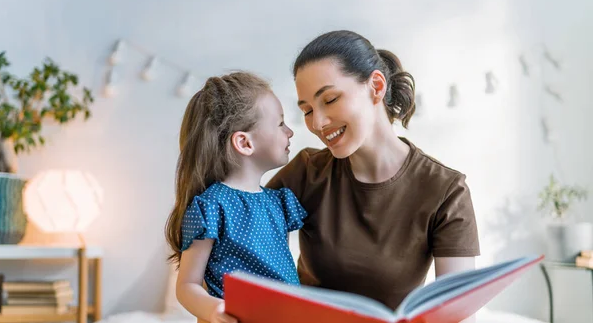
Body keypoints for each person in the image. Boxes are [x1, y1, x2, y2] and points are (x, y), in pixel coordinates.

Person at [267, 30, 480, 321]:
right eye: (307, 110)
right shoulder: (306, 172)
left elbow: (456, 312)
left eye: (329, 99)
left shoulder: (445, 191)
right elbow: (235, 237)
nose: (317, 123)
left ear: (376, 87)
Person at [165, 72, 307, 323]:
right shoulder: (211, 206)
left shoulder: (278, 202)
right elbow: (187, 285)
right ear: (244, 142)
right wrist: (212, 310)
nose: (290, 132)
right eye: (280, 123)